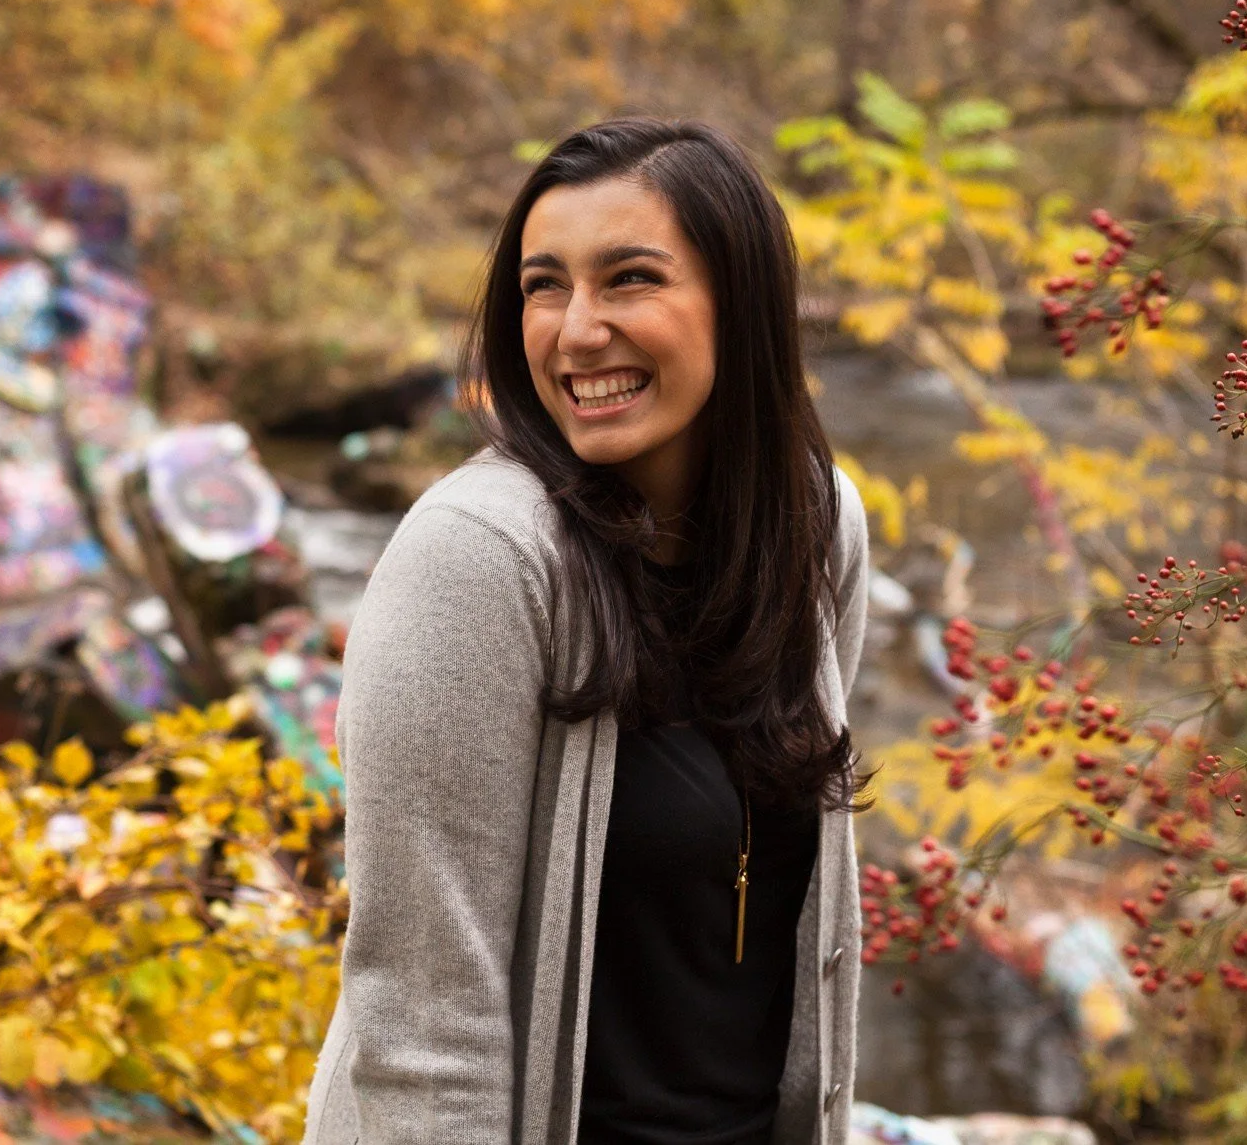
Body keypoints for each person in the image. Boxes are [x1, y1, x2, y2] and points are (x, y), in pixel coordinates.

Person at [303, 119, 871, 1145]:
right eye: (543, 285)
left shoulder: (815, 526)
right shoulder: (473, 559)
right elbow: (423, 1027)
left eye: (628, 280)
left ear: (739, 304)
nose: (573, 331)